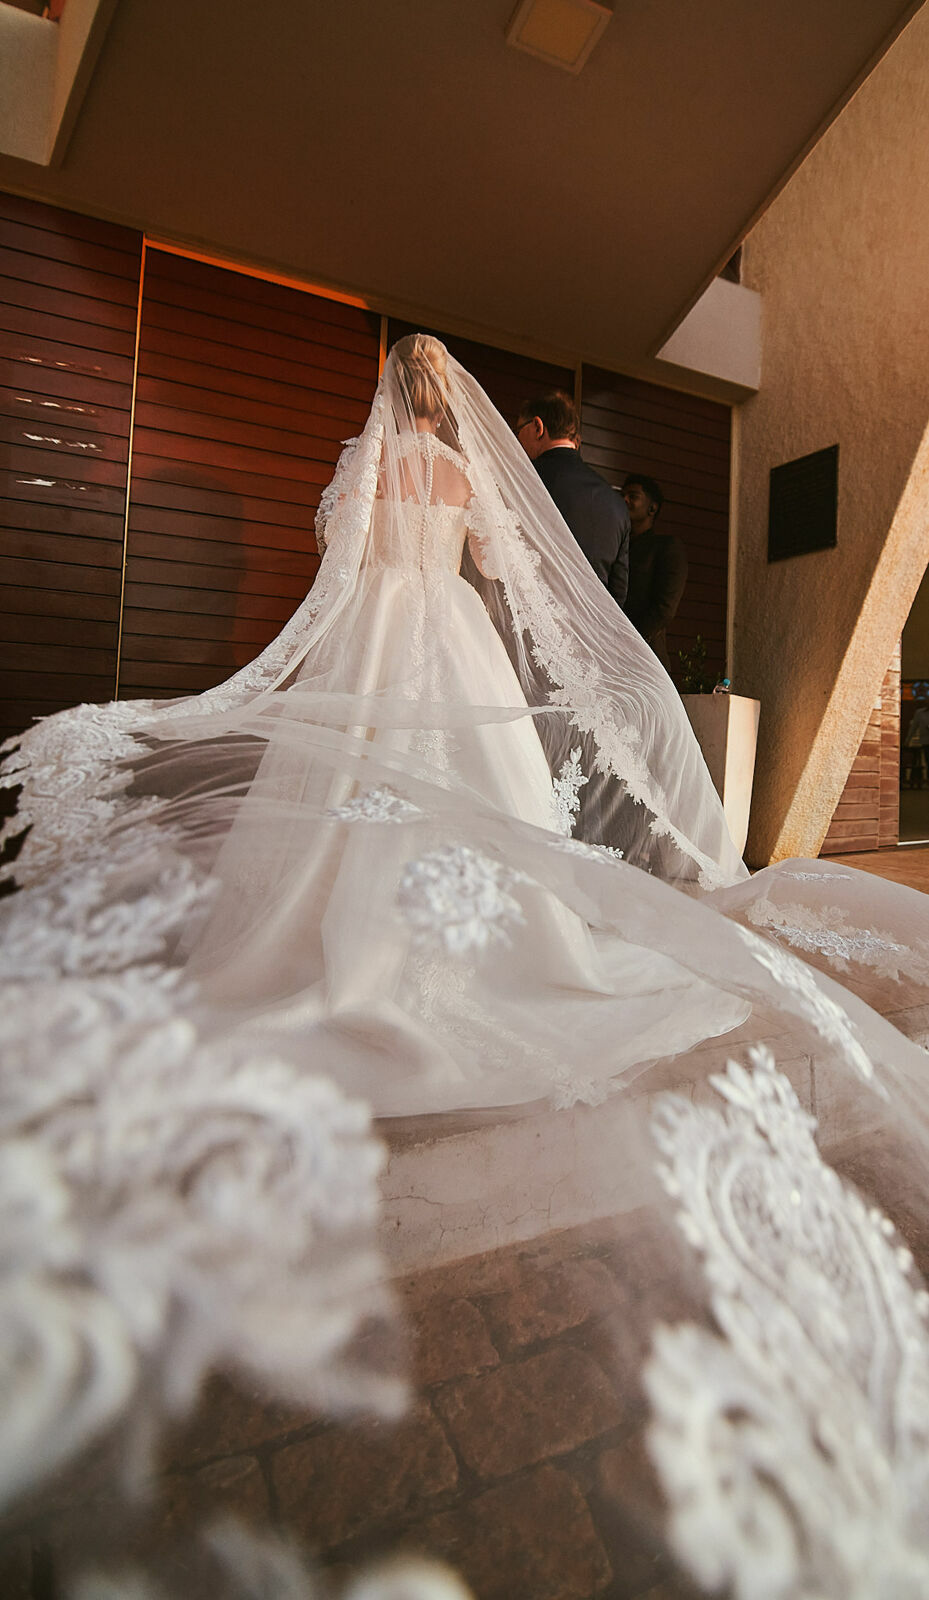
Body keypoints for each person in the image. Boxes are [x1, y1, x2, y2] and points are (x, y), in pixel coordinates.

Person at [4, 338, 929, 1593]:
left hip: (373, 650)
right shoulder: (453, 471)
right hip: (451, 642)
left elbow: (336, 567)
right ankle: (491, 956)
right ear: (460, 407)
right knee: (476, 816)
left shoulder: (361, 462)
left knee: (339, 812)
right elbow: (504, 568)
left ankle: (344, 954)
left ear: (386, 393)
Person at [516, 390, 630, 607]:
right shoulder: (616, 503)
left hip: (532, 623)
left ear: (538, 427)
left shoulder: (521, 482)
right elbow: (618, 594)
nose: (517, 439)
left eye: (519, 430)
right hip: (592, 631)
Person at [622, 472, 688, 672]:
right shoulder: (617, 546)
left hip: (645, 659)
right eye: (622, 495)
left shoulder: (667, 547)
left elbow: (664, 609)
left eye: (633, 496)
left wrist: (627, 643)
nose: (624, 500)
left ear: (652, 508)